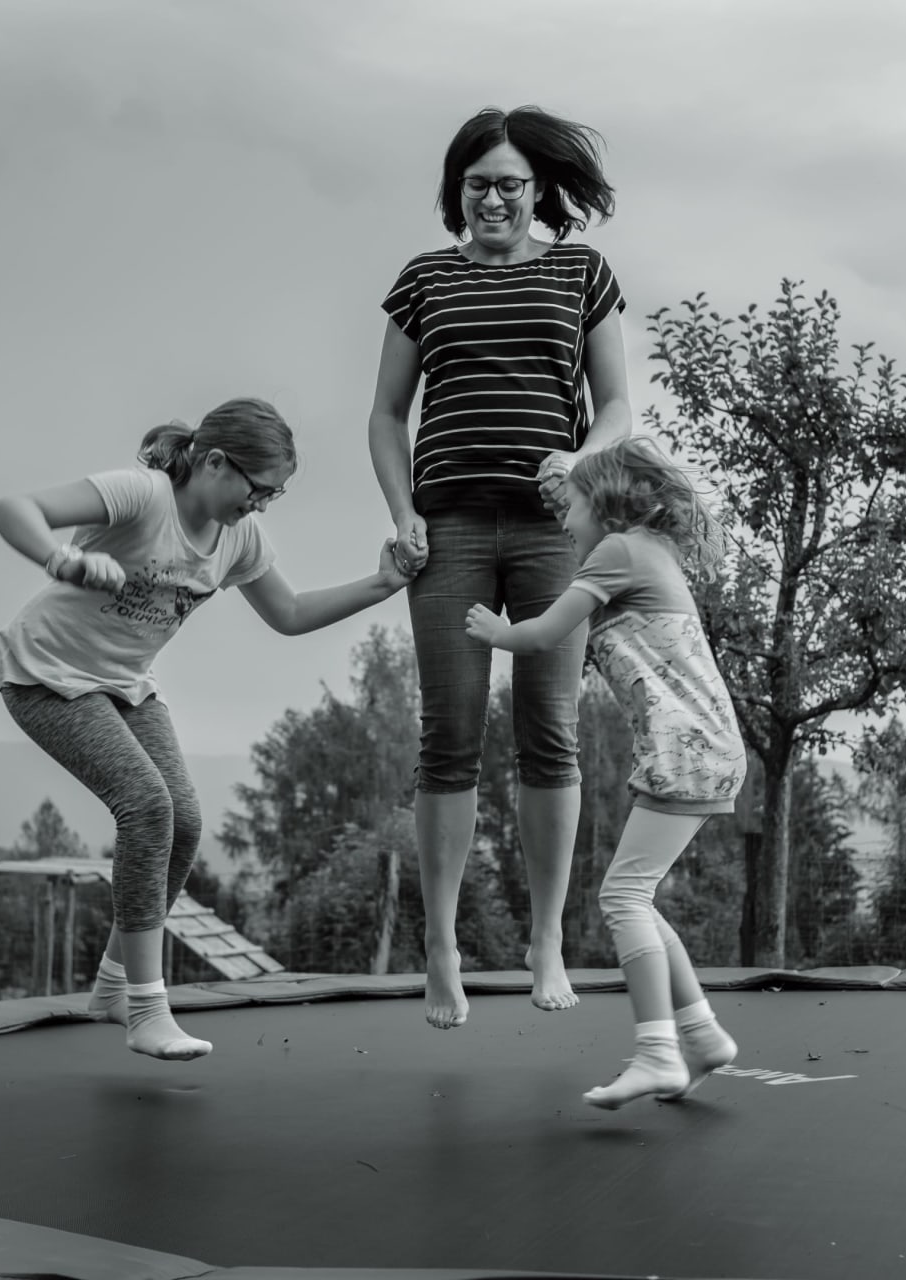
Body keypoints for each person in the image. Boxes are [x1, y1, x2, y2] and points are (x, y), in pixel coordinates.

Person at [0, 397, 416, 1060]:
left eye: (274, 495)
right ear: (215, 462)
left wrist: (382, 585)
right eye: (258, 489)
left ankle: (112, 987)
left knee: (184, 823)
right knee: (146, 806)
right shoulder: (143, 496)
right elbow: (10, 509)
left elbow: (289, 613)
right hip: (46, 675)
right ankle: (145, 1008)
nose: (262, 505)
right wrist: (60, 559)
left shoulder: (238, 538)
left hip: (125, 685)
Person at [368, 104, 631, 1029]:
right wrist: (402, 513)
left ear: (537, 190)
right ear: (459, 190)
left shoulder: (580, 272)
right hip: (447, 530)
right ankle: (441, 946)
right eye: (478, 184)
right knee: (447, 735)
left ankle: (546, 939)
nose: (493, 199)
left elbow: (618, 407)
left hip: (552, 529)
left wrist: (580, 459)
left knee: (549, 732)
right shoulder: (425, 279)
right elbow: (386, 414)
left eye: (510, 185)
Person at [465, 438, 745, 1109]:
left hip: (687, 750)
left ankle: (657, 1054)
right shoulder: (650, 549)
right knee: (636, 896)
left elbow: (542, 634)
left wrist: (495, 630)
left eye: (570, 506)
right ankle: (702, 1036)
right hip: (704, 748)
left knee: (622, 899)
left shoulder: (617, 551)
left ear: (605, 502)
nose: (562, 521)